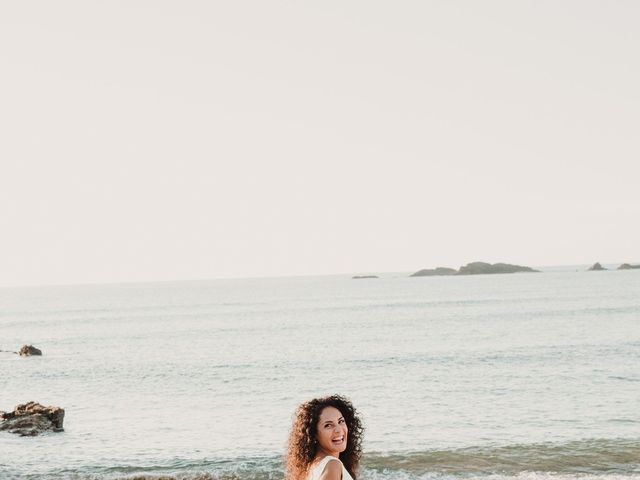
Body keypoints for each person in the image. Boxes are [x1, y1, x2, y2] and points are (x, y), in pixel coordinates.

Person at [286, 395, 364, 480]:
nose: (338, 430)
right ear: (313, 434)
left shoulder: (311, 466)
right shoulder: (332, 465)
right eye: (328, 425)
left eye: (341, 421)